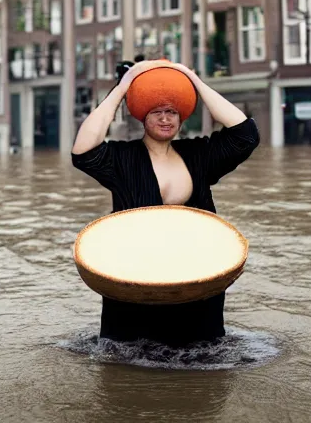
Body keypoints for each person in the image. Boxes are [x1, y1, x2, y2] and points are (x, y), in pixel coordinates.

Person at [70, 61, 260, 347]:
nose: (165, 119)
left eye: (171, 111)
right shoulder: (122, 159)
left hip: (196, 278)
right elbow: (82, 151)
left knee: (202, 356)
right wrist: (123, 88)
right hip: (133, 282)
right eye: (156, 112)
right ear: (142, 118)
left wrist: (193, 80)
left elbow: (246, 134)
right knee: (129, 361)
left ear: (181, 117)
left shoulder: (199, 155)